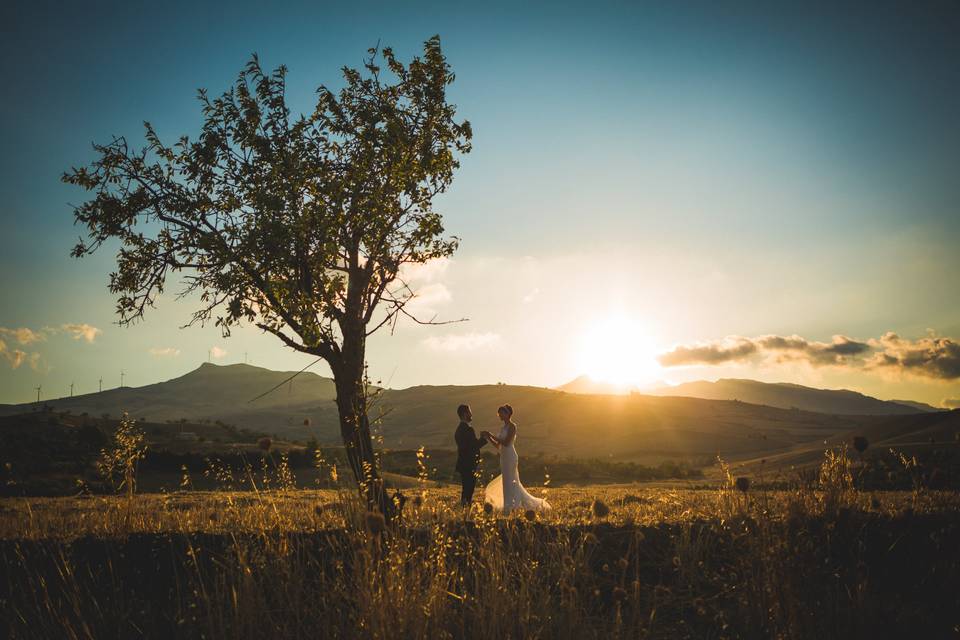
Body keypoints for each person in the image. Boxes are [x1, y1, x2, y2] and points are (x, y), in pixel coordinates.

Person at [484, 404, 551, 514]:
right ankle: (509, 506)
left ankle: (511, 506)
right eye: (499, 413)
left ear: (508, 414)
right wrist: (488, 438)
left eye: (502, 413)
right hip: (504, 457)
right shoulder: (503, 428)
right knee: (507, 481)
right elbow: (498, 446)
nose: (500, 415)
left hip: (510, 456)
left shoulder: (512, 426)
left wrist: (491, 435)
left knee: (512, 481)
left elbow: (506, 442)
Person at [454, 404, 489, 507]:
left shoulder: (459, 429)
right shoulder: (468, 429)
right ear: (465, 414)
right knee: (469, 489)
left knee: (466, 488)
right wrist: (484, 438)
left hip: (463, 464)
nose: (471, 414)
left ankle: (464, 509)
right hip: (469, 464)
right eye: (470, 412)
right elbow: (474, 446)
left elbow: (467, 446)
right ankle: (466, 509)